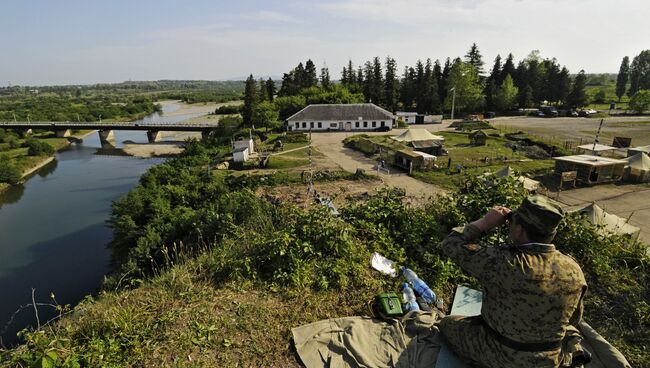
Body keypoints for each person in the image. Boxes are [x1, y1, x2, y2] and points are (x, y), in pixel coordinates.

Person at [439, 195, 587, 367]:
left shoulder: (502, 262)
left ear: (519, 230)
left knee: (448, 323)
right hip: (550, 360)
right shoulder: (574, 270)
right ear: (553, 234)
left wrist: (485, 222)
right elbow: (573, 320)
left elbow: (451, 243)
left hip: (504, 356)